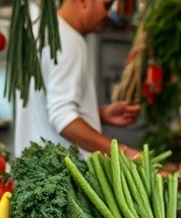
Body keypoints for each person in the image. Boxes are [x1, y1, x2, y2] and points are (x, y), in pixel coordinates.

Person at [14, 0, 141, 157]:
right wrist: (123, 153)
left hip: (33, 167)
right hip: (59, 173)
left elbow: (46, 103)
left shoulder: (40, 32)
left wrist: (98, 114)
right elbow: (62, 116)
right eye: (106, 5)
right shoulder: (69, 40)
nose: (108, 14)